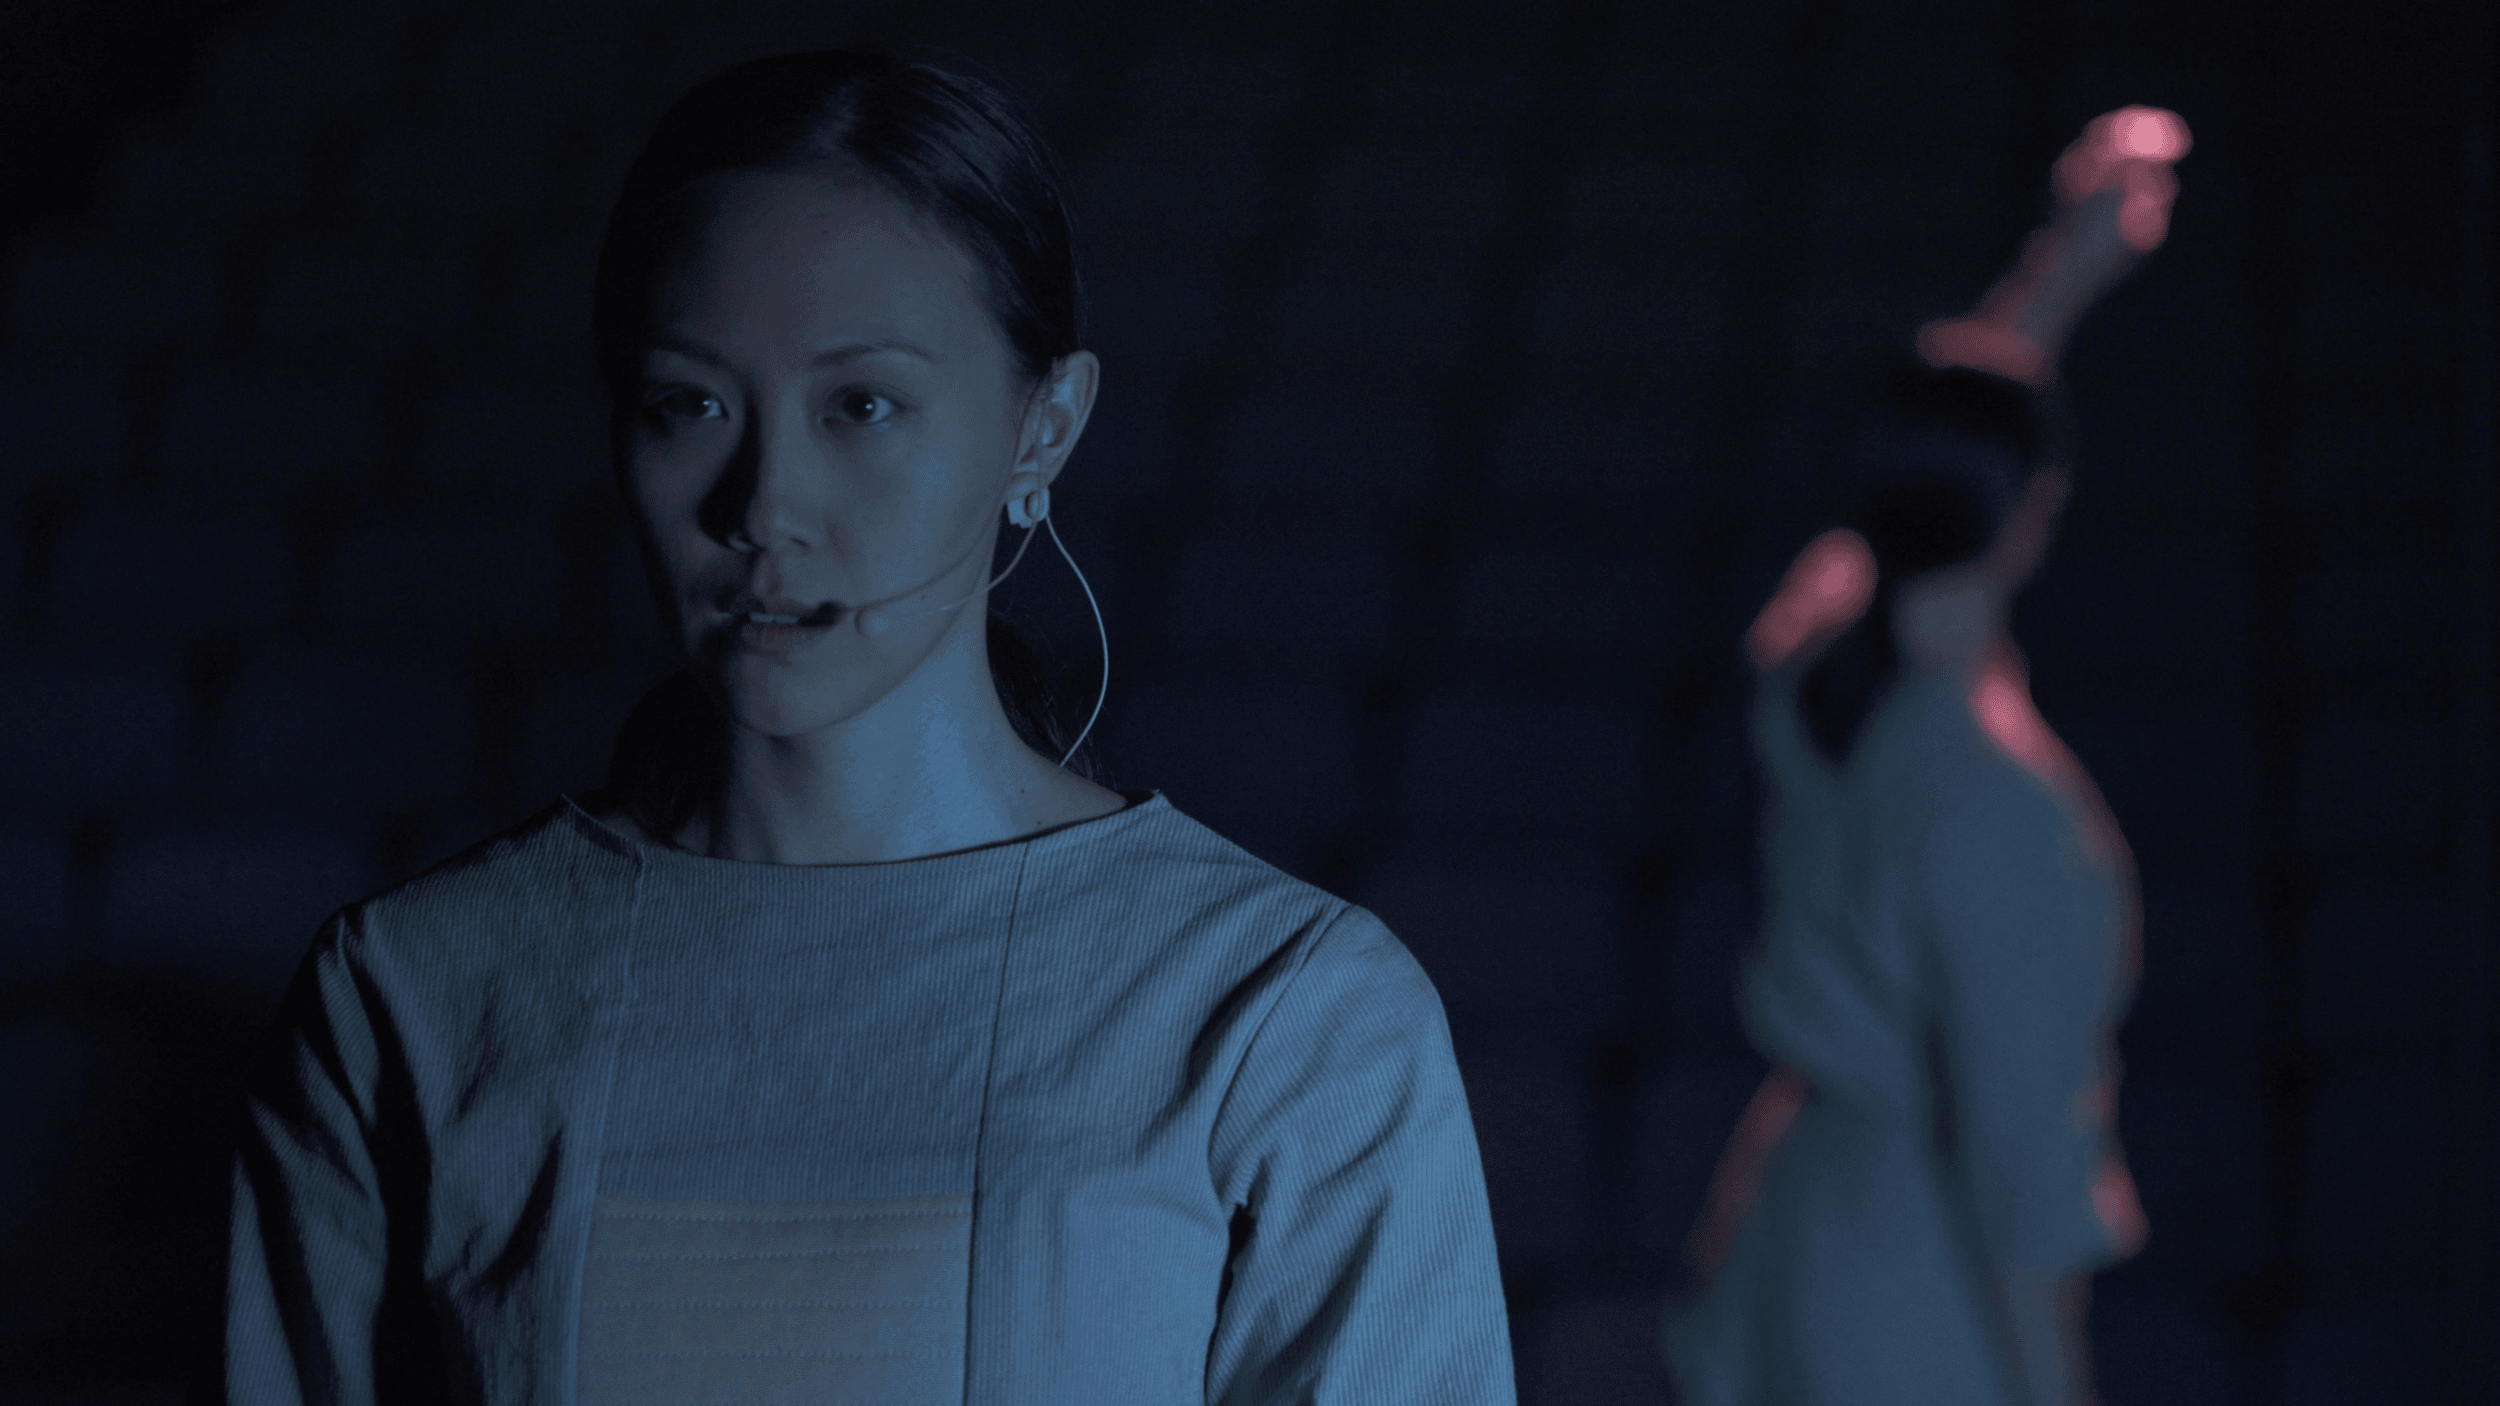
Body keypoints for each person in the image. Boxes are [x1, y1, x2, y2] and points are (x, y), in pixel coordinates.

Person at [219, 51, 1514, 1404]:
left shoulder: (1284, 1014)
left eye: (863, 406)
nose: (764, 506)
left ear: (1044, 427)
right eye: (688, 404)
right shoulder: (412, 995)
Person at [1660, 107, 2189, 1406]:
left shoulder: (1809, 647)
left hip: (1792, 1228)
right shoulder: (2012, 811)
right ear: (2034, 517)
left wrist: (2065, 267)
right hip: (1919, 1301)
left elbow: (1932, 468)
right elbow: (2023, 1202)